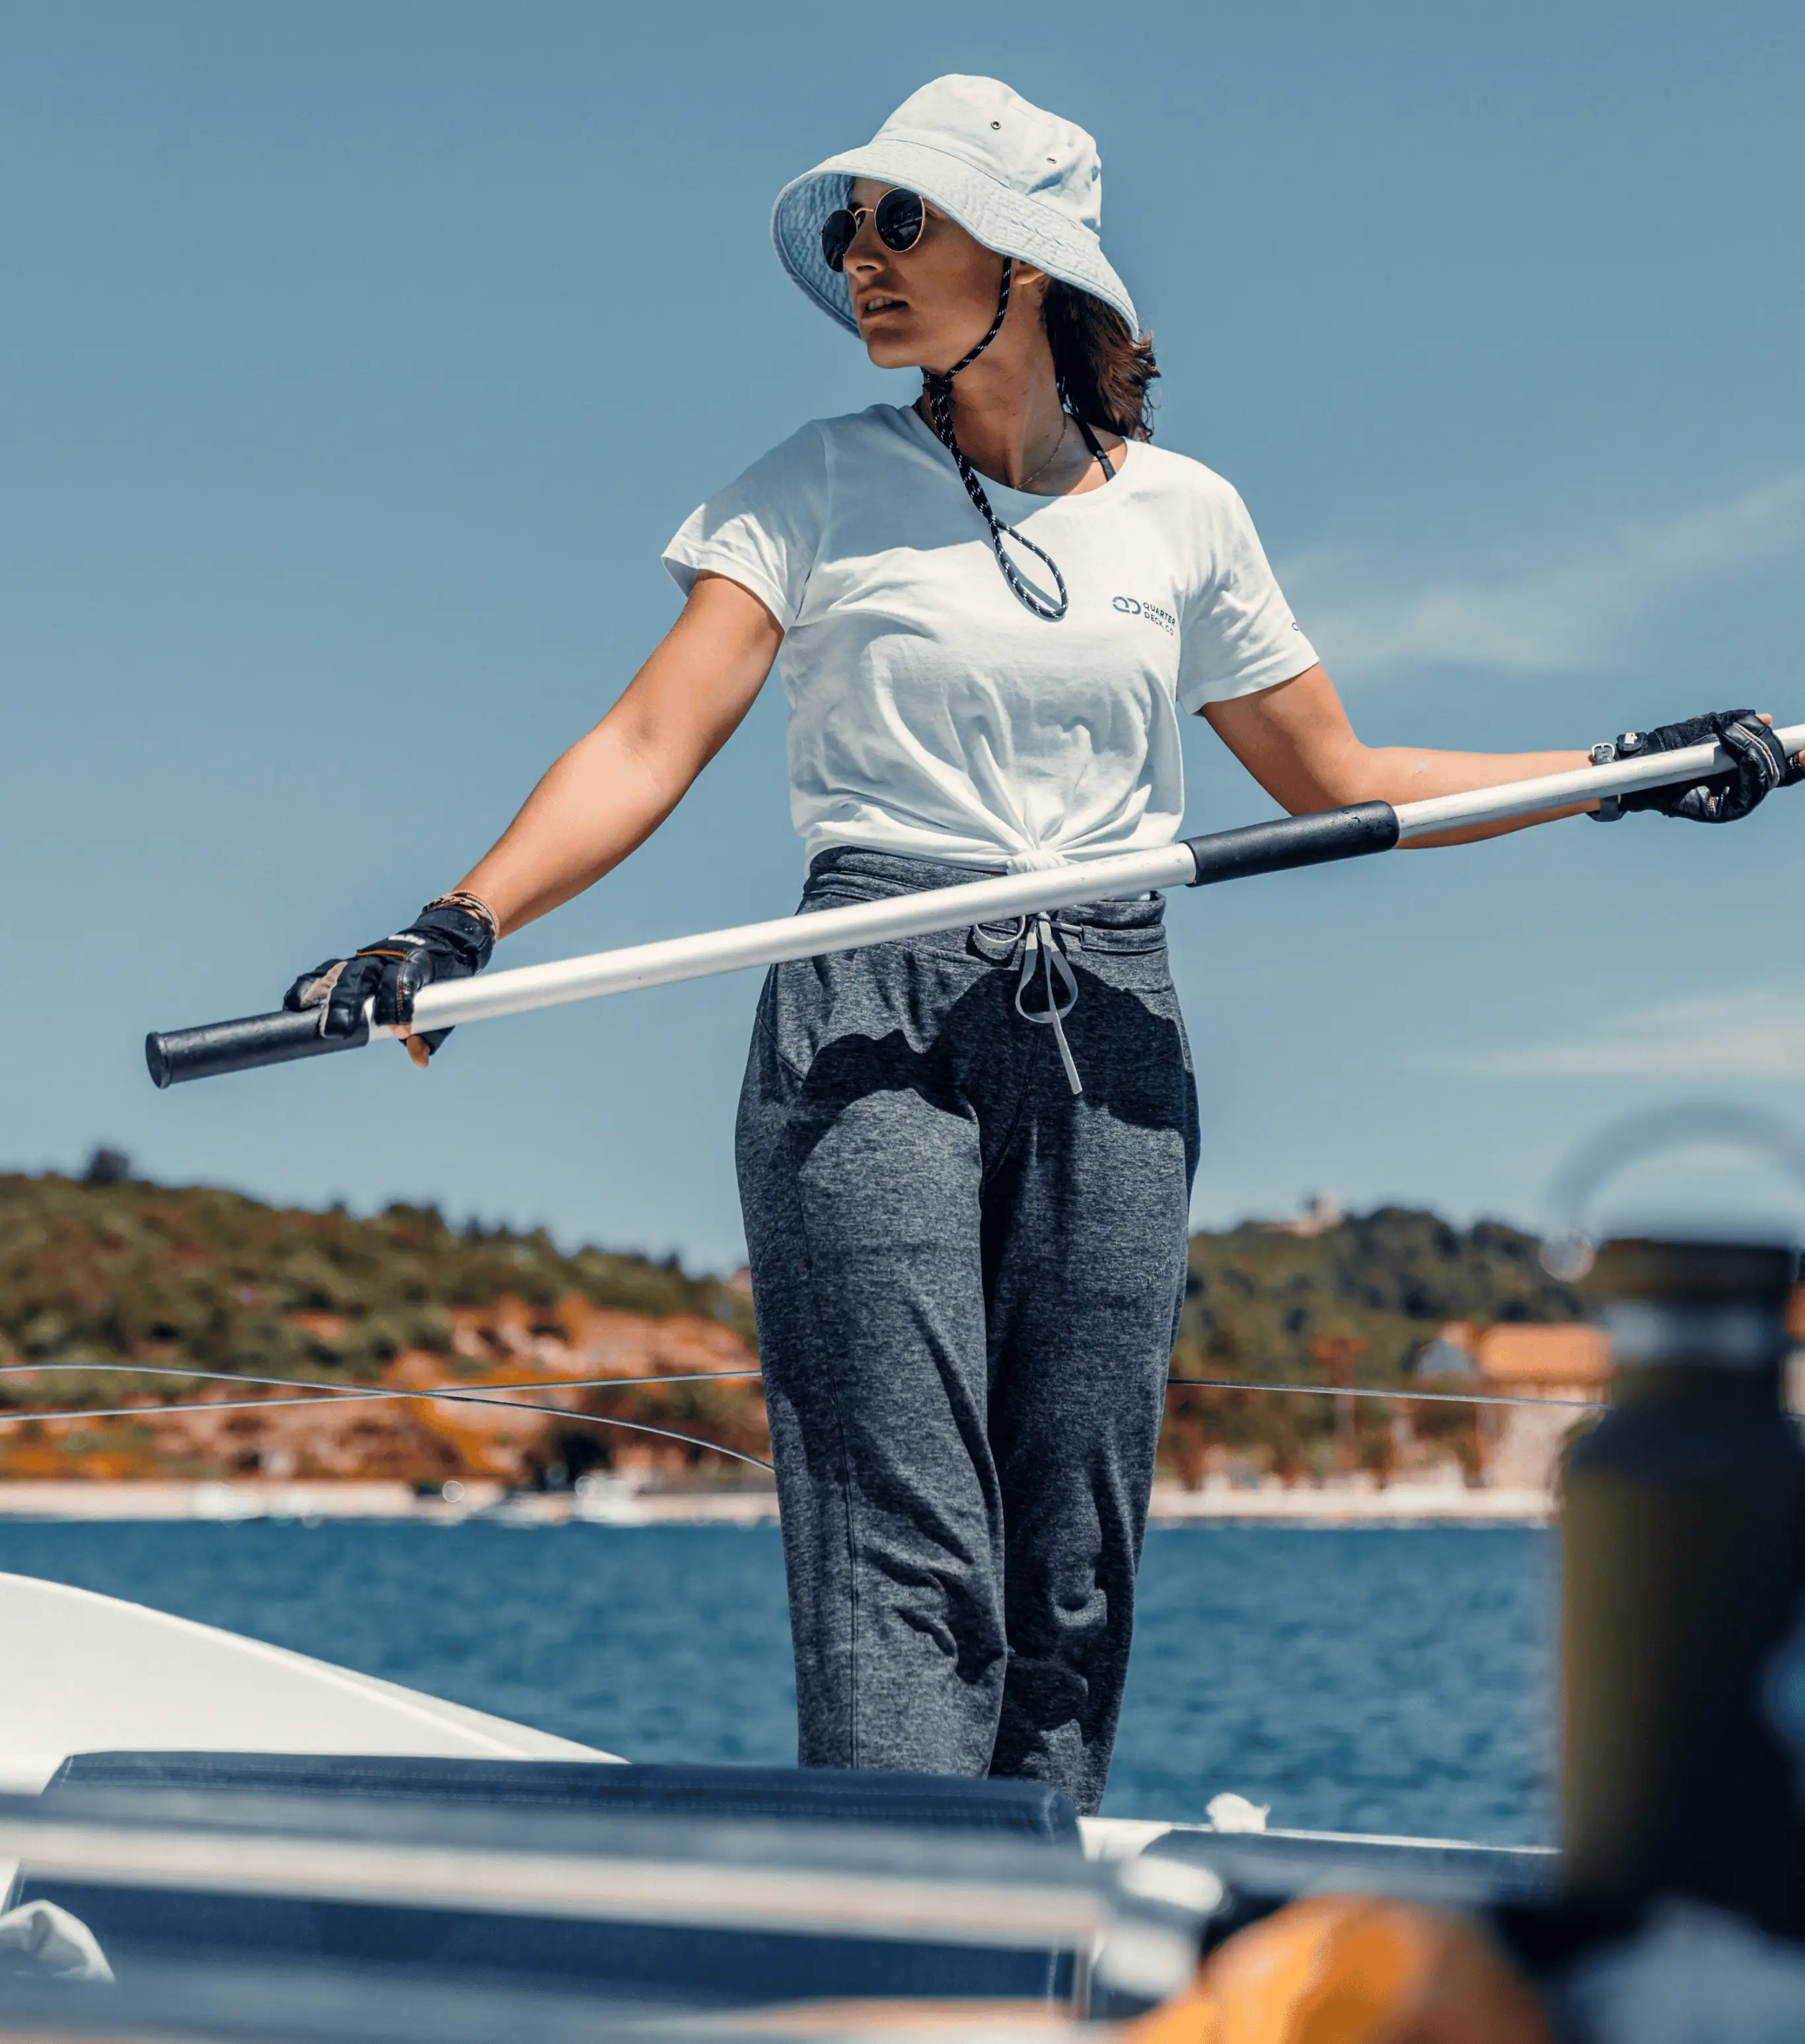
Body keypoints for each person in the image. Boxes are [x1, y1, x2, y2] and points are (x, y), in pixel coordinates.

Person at [284, 76, 1800, 1815]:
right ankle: (905, 1939)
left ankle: (1027, 1917)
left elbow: (1341, 776)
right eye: (853, 224)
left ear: (1026, 261)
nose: (862, 253)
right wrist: (459, 919)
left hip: (1111, 1011)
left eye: (901, 219)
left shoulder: (1186, 517)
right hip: (871, 1005)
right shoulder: (811, 488)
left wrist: (1628, 775)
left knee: (1073, 1538)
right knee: (907, 1530)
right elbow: (645, 743)